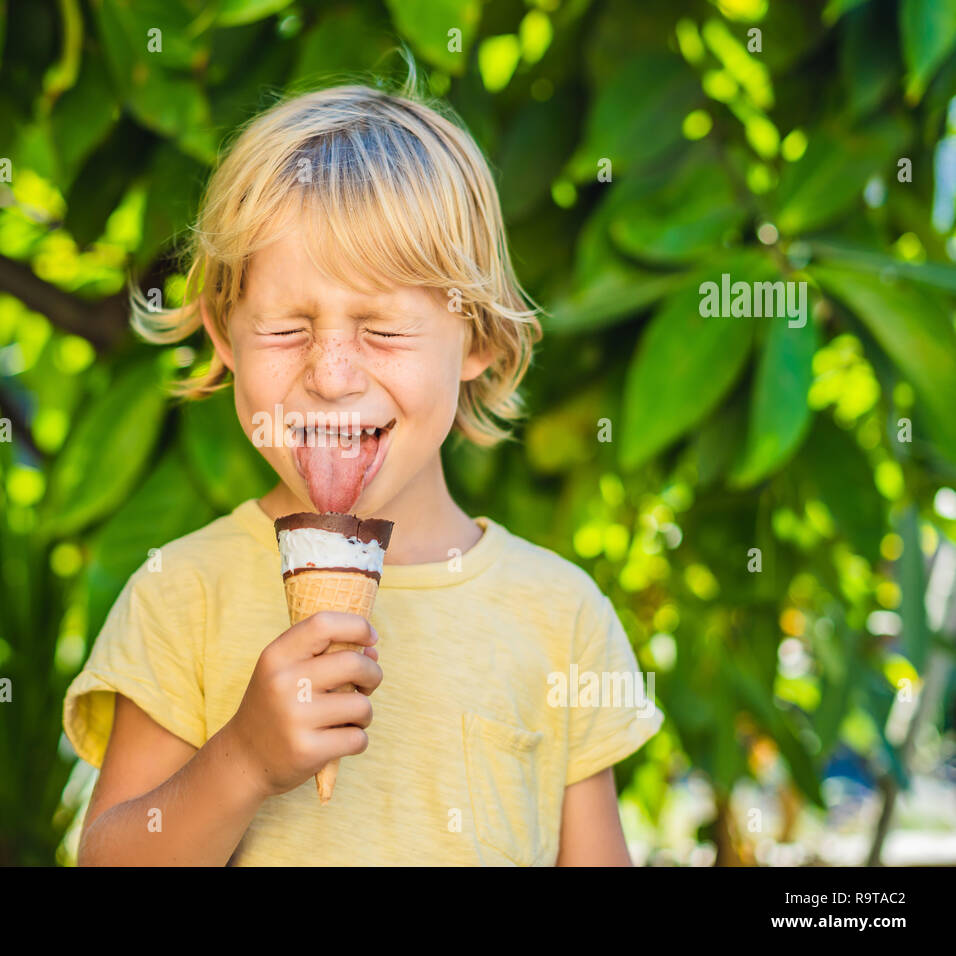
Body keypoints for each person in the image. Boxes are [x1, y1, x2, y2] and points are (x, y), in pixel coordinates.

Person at [62, 75, 664, 866]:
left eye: (383, 329)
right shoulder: (184, 594)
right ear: (223, 336)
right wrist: (242, 760)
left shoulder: (560, 617)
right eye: (285, 329)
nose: (333, 375)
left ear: (477, 340)